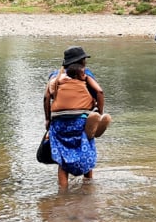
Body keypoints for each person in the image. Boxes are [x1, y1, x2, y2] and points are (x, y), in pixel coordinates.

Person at [44, 46, 112, 189]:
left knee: (62, 159)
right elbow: (99, 91)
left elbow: (46, 98)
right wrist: (99, 112)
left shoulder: (55, 76)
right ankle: (87, 188)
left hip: (59, 123)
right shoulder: (85, 74)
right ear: (82, 61)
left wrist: (48, 119)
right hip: (81, 121)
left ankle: (62, 193)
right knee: (86, 150)